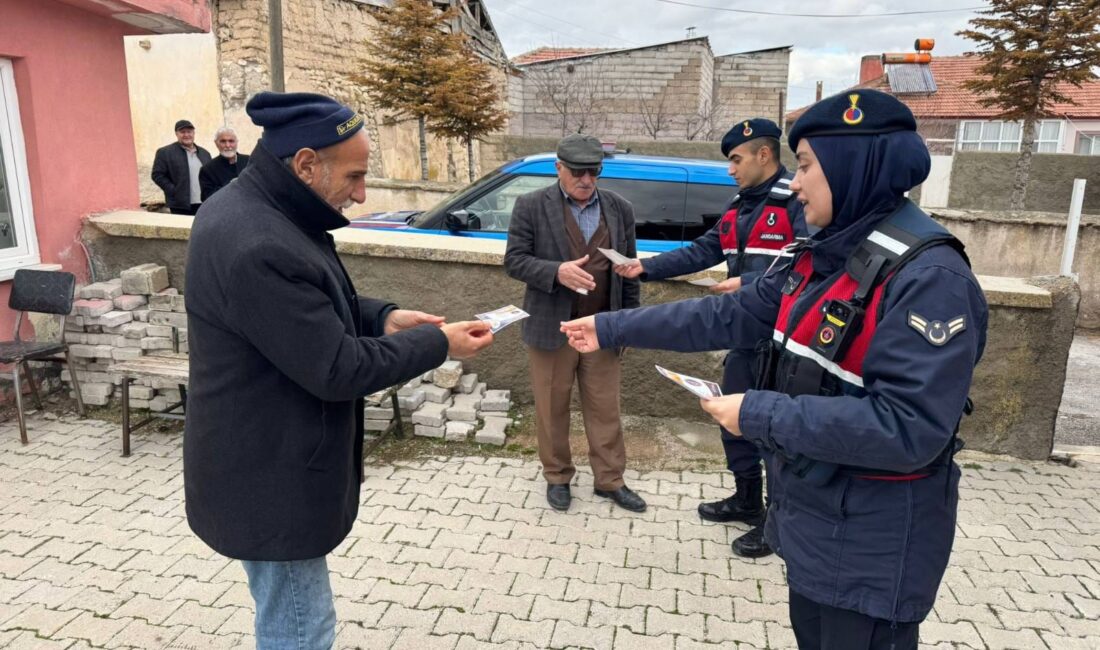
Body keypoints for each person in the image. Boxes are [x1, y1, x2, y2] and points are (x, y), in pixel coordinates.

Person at [561, 89, 987, 649]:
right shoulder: (822, 253)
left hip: (871, 546)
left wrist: (756, 412)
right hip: (815, 522)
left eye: (808, 166)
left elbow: (908, 428)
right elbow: (730, 313)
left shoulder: (928, 278)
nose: (798, 182)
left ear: (854, 167)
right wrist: (612, 328)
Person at [183, 91, 494, 649]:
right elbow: (336, 367)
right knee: (303, 627)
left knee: (287, 613)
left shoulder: (261, 210)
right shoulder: (257, 240)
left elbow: (310, 305)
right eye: (354, 176)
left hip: (260, 457)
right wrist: (436, 343)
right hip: (270, 474)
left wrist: (385, 316)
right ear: (305, 164)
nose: (362, 192)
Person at [614, 117, 806, 559]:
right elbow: (705, 249)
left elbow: (810, 263)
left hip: (785, 340)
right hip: (746, 333)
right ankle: (746, 500)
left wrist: (749, 283)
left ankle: (778, 523)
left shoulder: (795, 200)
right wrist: (646, 266)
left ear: (764, 155)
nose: (731, 169)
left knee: (773, 429)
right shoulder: (740, 205)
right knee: (731, 417)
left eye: (736, 160)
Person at [503, 133, 645, 514]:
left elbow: (629, 271)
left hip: (602, 328)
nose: (586, 180)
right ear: (559, 168)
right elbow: (514, 260)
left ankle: (610, 481)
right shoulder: (531, 205)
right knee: (552, 407)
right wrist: (555, 272)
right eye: (578, 171)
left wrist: (626, 324)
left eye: (594, 172)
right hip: (552, 329)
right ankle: (558, 476)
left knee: (605, 408)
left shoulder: (619, 208)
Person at [151, 119, 212, 215]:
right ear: (176, 134)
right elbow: (157, 175)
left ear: (194, 133)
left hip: (204, 203)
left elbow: (211, 176)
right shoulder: (165, 152)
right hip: (180, 204)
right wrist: (174, 191)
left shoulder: (205, 153)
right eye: (182, 132)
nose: (186, 135)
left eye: (189, 132)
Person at [199, 126, 250, 201]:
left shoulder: (249, 161)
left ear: (236, 142)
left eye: (231, 141)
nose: (228, 145)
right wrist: (230, 185)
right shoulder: (207, 169)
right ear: (216, 143)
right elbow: (206, 197)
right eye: (223, 141)